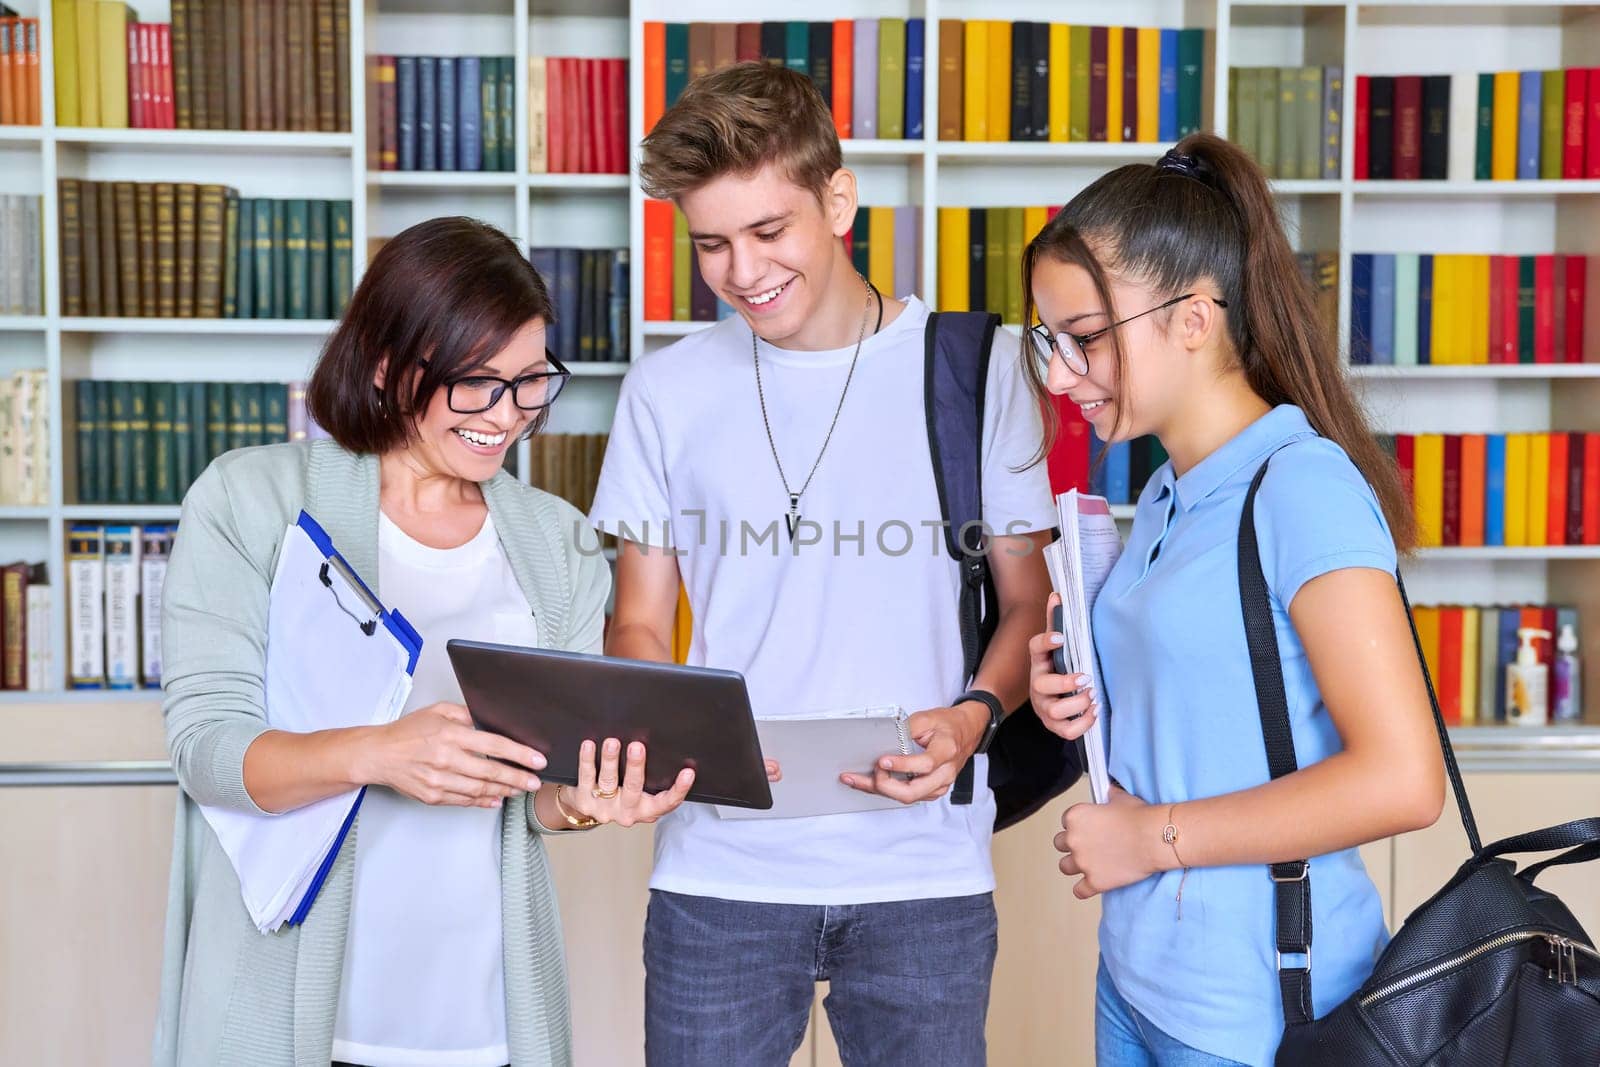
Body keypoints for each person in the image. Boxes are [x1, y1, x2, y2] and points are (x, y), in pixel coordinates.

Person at [588, 62, 1055, 1065]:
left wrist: (972, 715)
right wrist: (670, 723)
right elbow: (636, 620)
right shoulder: (665, 392)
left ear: (837, 200)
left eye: (768, 232)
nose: (741, 271)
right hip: (718, 875)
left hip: (923, 875)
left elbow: (1028, 606)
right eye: (710, 242)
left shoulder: (979, 370)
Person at [151, 216, 693, 1067]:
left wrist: (589, 800)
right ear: (388, 366)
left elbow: (533, 802)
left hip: (485, 1025)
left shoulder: (559, 544)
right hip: (298, 1011)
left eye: (529, 382)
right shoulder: (251, 501)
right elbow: (209, 752)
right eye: (477, 383)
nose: (507, 416)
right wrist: (383, 751)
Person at [1022, 133, 1446, 1067]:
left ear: (1195, 318)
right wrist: (1072, 688)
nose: (1059, 376)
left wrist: (1150, 839)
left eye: (1084, 338)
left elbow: (1404, 780)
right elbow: (1213, 707)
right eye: (1049, 342)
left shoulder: (1300, 488)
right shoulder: (1170, 488)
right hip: (1138, 981)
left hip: (1258, 1012)